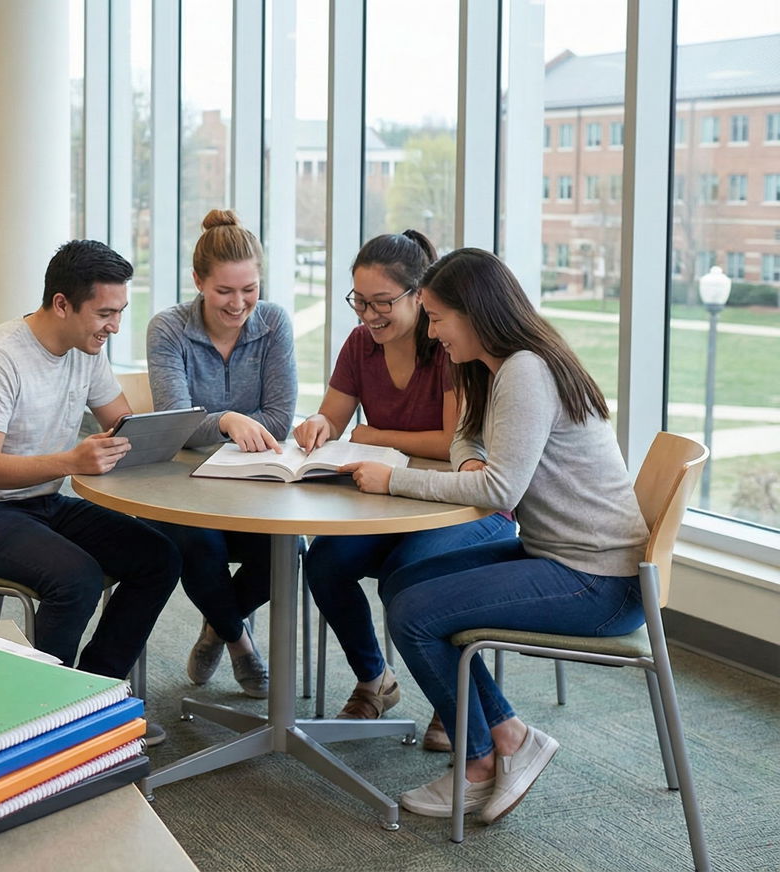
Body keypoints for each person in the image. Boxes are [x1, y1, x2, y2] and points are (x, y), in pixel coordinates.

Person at [341, 248, 649, 822]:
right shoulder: (497, 367)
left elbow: (500, 490)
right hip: (563, 557)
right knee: (402, 584)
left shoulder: (527, 371)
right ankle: (507, 735)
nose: (431, 332)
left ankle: (480, 760)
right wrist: (466, 463)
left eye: (438, 318)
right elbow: (465, 436)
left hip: (600, 581)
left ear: (475, 313)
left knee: (415, 614)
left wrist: (393, 480)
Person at [0, 240, 182, 692]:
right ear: (62, 304)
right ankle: (42, 704)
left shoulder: (87, 350)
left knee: (159, 557)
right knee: (76, 579)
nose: (115, 326)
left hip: (42, 502)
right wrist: (71, 461)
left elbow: (121, 424)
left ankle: (94, 689)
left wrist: (163, 434)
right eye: (105, 313)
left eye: (120, 312)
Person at [294, 231, 514, 737]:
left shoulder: (449, 346)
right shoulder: (359, 345)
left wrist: (372, 434)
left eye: (381, 302)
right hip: (391, 501)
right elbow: (334, 418)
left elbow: (451, 442)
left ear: (419, 295)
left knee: (413, 575)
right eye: (359, 301)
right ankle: (375, 680)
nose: (368, 315)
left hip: (460, 507)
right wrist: (319, 425)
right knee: (324, 562)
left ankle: (451, 698)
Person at [146, 209, 295, 697]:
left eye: (249, 289)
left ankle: (216, 625)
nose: (238, 303)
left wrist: (210, 423)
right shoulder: (168, 329)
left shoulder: (273, 323)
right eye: (224, 291)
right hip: (183, 488)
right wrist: (229, 420)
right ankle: (239, 640)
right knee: (197, 546)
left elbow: (279, 419)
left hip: (256, 486)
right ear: (198, 282)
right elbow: (175, 423)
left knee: (286, 551)